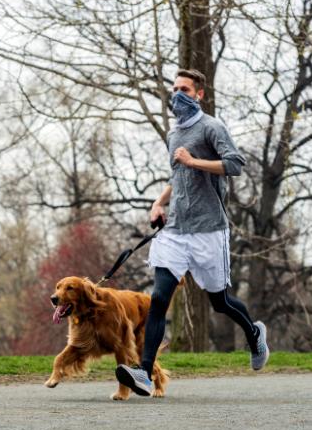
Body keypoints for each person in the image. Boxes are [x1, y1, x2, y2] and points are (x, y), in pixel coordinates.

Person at [115, 68, 269, 397]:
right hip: (175, 230)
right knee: (159, 299)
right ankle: (144, 373)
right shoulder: (174, 135)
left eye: (184, 89)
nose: (177, 95)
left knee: (220, 302)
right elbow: (178, 178)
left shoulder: (212, 127)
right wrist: (159, 202)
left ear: (199, 94)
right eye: (174, 89)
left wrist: (194, 161)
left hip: (209, 230)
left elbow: (235, 164)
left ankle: (254, 334)